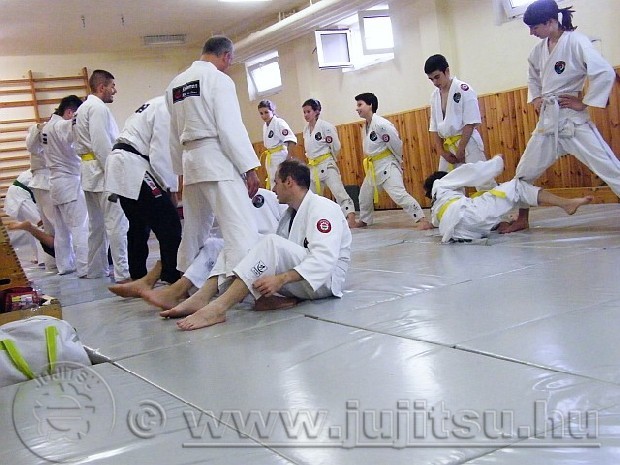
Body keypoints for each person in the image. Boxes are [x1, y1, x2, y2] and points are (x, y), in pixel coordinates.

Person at [165, 159, 351, 331]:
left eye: (276, 182)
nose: (273, 188)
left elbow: (324, 260)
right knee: (240, 239)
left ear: (289, 182)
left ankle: (219, 307)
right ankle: (203, 296)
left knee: (270, 242)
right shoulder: (290, 213)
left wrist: (281, 279)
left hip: (322, 282)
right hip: (298, 279)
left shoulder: (323, 209)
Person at [500, 0, 620, 233]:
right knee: (523, 175)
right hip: (548, 123)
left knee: (611, 168)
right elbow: (532, 76)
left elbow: (604, 71)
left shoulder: (576, 42)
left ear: (550, 22)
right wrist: (536, 97)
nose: (531, 32)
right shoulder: (538, 51)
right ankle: (522, 219)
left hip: (573, 121)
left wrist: (583, 102)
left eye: (534, 27)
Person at [165, 35, 260, 278]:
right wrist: (249, 168)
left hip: (190, 162)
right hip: (216, 160)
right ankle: (243, 283)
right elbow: (230, 127)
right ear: (226, 56)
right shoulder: (219, 80)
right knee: (240, 226)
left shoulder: (175, 84)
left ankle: (185, 282)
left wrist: (179, 174)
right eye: (231, 60)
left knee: (194, 230)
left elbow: (173, 134)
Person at [115, 189, 281, 305]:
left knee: (213, 243)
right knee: (210, 243)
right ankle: (164, 283)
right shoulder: (240, 195)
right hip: (245, 252)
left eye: (277, 183)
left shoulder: (271, 199)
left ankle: (178, 290)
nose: (274, 188)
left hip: (266, 258)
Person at [423, 154, 592, 243]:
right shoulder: (441, 182)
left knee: (482, 202)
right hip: (471, 216)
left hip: (461, 234)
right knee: (517, 186)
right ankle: (566, 204)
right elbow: (471, 172)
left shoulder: (436, 209)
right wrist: (496, 162)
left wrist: (497, 223)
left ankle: (500, 223)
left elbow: (455, 219)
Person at [105, 95, 182, 289]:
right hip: (132, 164)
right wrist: (170, 188)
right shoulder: (165, 109)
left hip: (121, 162)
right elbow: (160, 153)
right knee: (170, 223)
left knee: (139, 224)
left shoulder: (153, 104)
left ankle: (138, 276)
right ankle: (171, 276)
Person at [73, 69, 130, 281]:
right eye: (112, 86)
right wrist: (115, 174)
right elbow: (101, 144)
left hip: (89, 173)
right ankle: (123, 273)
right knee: (116, 224)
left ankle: (96, 270)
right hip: (102, 172)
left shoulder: (82, 109)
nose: (115, 90)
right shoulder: (97, 108)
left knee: (96, 225)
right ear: (101, 87)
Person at [354, 92, 432, 229]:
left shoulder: (381, 124)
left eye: (360, 104)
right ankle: (365, 220)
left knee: (398, 194)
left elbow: (396, 143)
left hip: (387, 164)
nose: (357, 108)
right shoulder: (366, 126)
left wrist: (399, 161)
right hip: (373, 166)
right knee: (364, 195)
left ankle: (422, 219)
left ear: (370, 105)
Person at [424, 54, 495, 192]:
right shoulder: (434, 96)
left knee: (484, 181)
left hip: (468, 142)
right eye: (431, 79)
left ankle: (497, 206)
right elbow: (434, 127)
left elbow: (470, 122)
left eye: (437, 77)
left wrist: (461, 149)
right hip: (448, 146)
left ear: (447, 71)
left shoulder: (463, 89)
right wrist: (441, 152)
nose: (435, 82)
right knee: (444, 186)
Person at [41, 95, 90, 277]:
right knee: (79, 227)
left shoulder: (46, 127)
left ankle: (64, 266)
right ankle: (84, 268)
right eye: (75, 114)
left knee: (61, 230)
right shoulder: (61, 125)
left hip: (55, 183)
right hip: (69, 182)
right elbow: (73, 132)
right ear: (70, 112)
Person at [301, 98, 358, 229]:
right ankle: (315, 220)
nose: (306, 115)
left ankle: (351, 219)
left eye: (308, 111)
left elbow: (336, 146)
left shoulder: (326, 127)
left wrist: (328, 158)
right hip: (313, 167)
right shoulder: (305, 130)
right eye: (304, 112)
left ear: (316, 111)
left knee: (339, 192)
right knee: (311, 197)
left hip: (327, 164)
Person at [26, 123, 57, 271]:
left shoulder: (38, 130)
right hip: (46, 181)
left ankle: (53, 262)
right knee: (57, 226)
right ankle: (58, 261)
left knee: (50, 226)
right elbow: (33, 148)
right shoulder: (45, 129)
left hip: (41, 181)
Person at [3, 170, 44, 263]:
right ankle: (44, 259)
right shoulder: (46, 169)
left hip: (20, 195)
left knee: (32, 228)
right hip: (21, 196)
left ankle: (39, 257)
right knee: (40, 225)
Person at [258, 100, 297, 190]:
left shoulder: (278, 122)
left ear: (272, 111)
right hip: (271, 157)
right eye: (261, 113)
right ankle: (276, 199)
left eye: (266, 112)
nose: (264, 116)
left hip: (280, 156)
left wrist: (289, 157)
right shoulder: (265, 126)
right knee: (273, 182)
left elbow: (291, 139)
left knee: (283, 182)